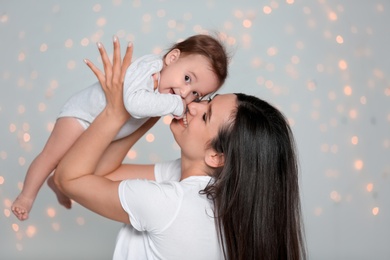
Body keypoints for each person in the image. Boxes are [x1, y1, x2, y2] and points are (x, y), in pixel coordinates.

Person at [53, 39, 306, 259]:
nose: (192, 105)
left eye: (206, 116)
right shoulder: (209, 194)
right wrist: (144, 115)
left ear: (217, 156)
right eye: (205, 100)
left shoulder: (169, 204)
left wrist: (115, 111)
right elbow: (102, 173)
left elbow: (68, 178)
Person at [11, 34, 229, 221]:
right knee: (52, 156)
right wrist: (175, 105)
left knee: (80, 166)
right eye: (187, 78)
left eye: (196, 94)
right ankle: (27, 196)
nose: (184, 93)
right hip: (82, 116)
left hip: (106, 130)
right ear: (172, 58)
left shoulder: (163, 93)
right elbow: (133, 104)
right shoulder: (150, 68)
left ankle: (57, 184)